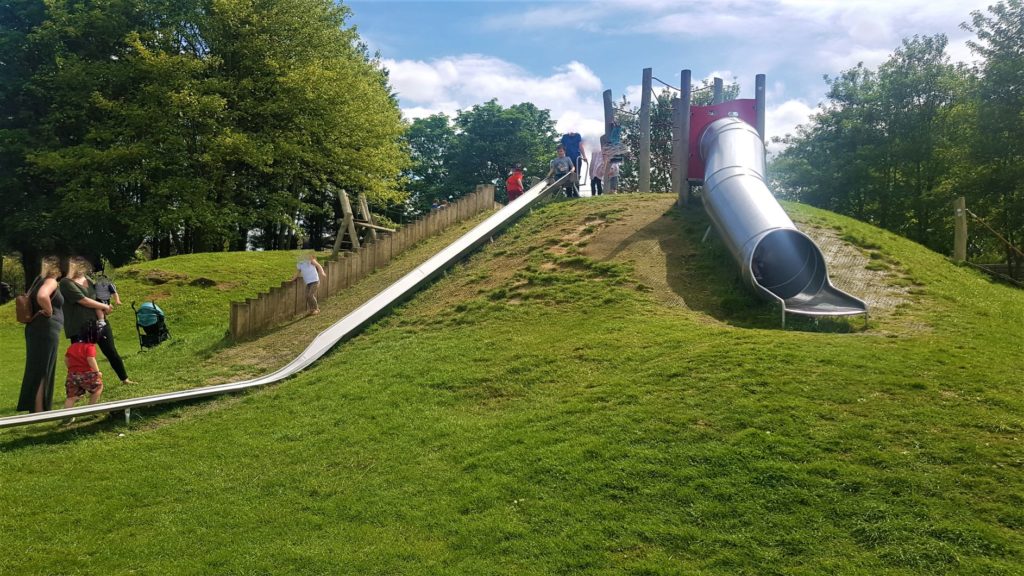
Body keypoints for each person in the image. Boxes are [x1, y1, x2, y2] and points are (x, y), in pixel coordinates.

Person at [60, 257, 136, 387]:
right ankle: (80, 387)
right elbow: (83, 300)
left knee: (111, 351)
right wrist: (104, 307)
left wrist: (106, 306)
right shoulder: (65, 283)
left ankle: (125, 379)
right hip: (79, 326)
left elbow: (97, 297)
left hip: (98, 322)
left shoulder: (88, 280)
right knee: (80, 358)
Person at [17, 257, 64, 413]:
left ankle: (35, 407)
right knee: (44, 367)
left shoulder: (38, 280)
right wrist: (50, 311)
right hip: (45, 329)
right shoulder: (51, 281)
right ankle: (39, 409)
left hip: (35, 329)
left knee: (36, 366)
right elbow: (43, 296)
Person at [62, 326, 104, 411]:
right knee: (98, 387)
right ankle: (90, 409)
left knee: (71, 397)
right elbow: (90, 359)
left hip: (72, 375)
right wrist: (97, 372)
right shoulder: (89, 346)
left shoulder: (72, 346)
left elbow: (66, 359)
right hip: (87, 374)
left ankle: (66, 417)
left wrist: (70, 369)